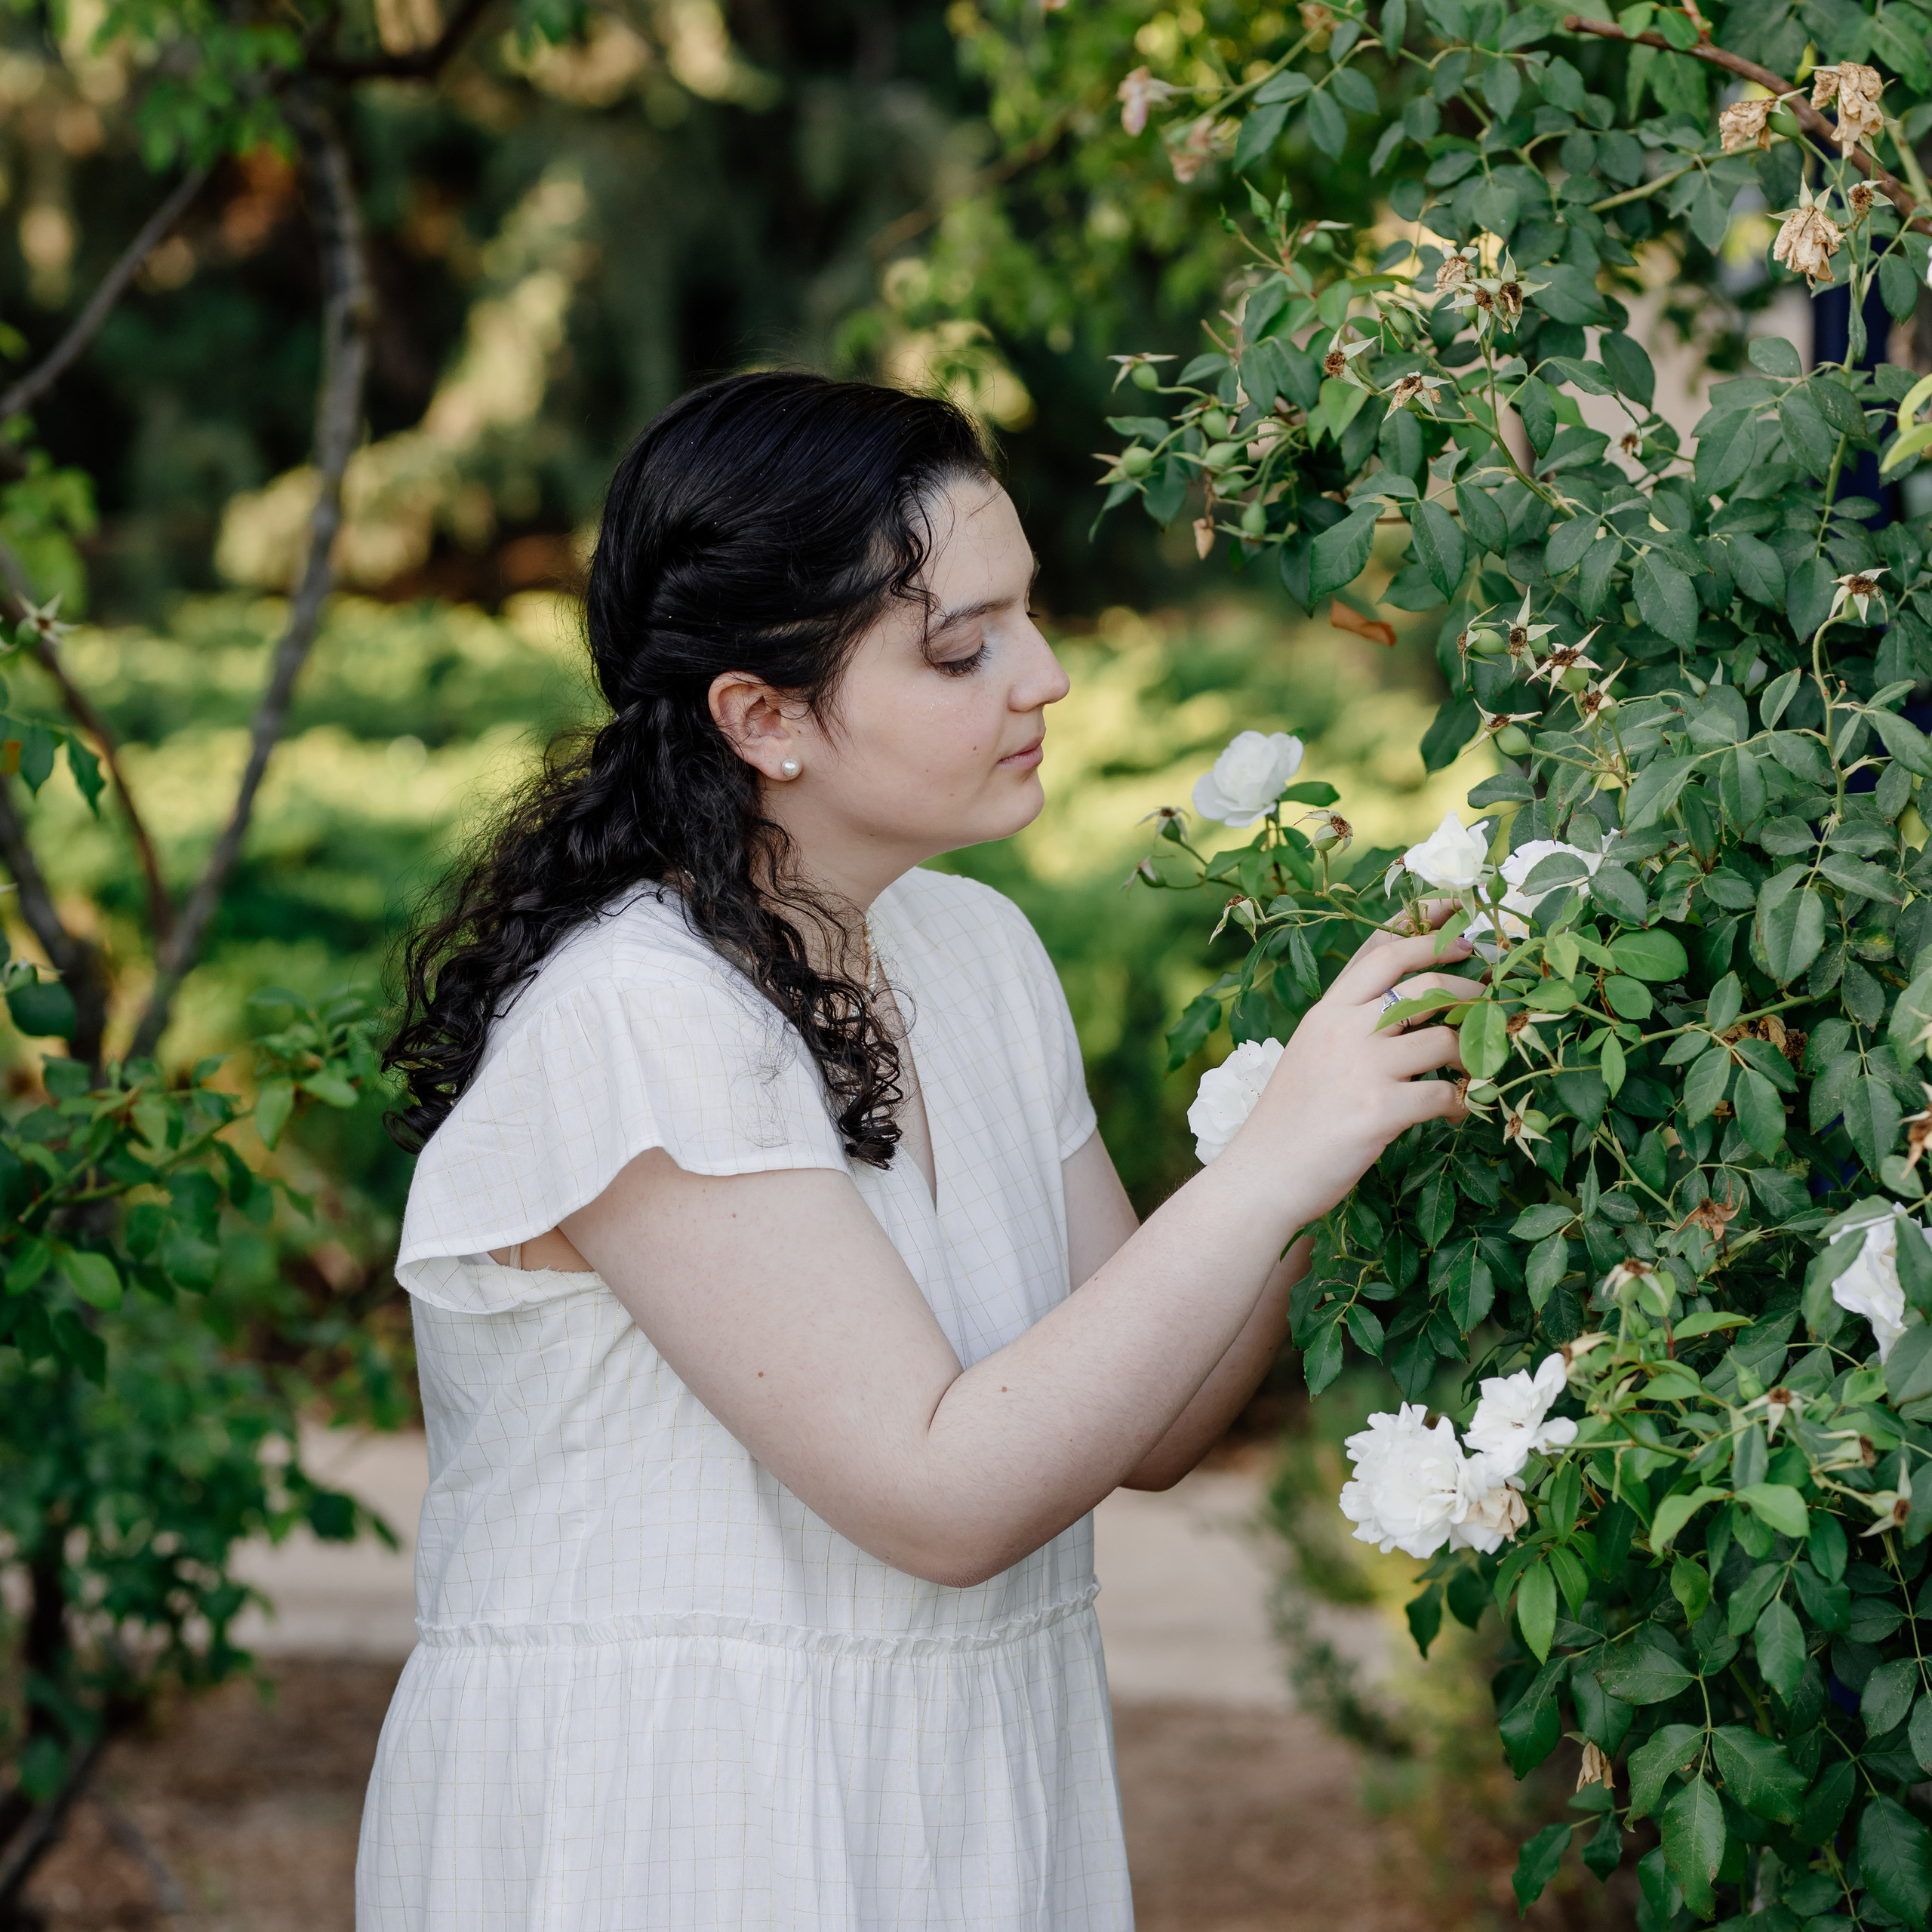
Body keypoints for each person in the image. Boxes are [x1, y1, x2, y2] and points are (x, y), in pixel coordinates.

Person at [358, 371, 1471, 1931]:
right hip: (680, 1818)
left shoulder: (974, 951)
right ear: (762, 717)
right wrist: (1273, 1163)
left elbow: (1149, 1420)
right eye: (963, 647)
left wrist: (1338, 1127)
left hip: (954, 1789)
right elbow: (940, 1496)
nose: (1047, 677)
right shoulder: (638, 1015)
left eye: (1028, 615)